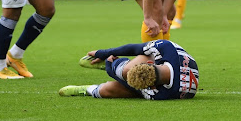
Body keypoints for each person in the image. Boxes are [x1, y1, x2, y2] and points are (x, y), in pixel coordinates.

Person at [58, 39, 198, 100]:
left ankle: (87, 89)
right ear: (150, 62)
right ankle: (120, 64)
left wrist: (109, 68)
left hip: (170, 80)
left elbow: (131, 84)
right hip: (176, 66)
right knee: (127, 71)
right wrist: (105, 52)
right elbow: (134, 48)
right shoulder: (166, 48)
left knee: (109, 89)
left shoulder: (159, 95)